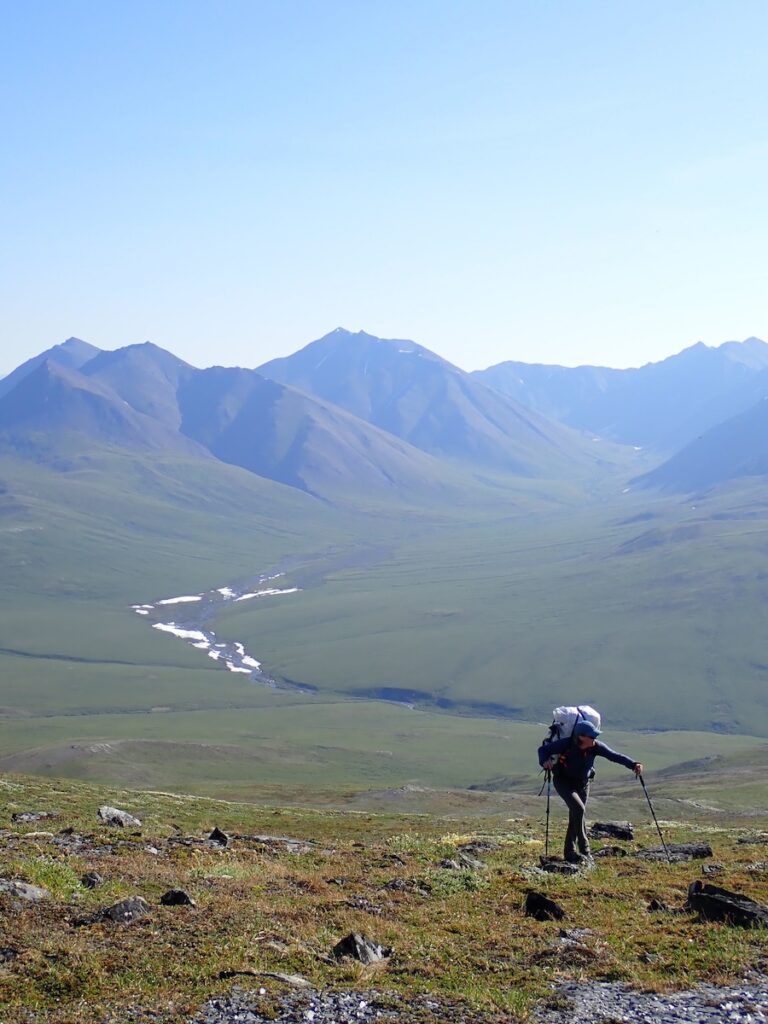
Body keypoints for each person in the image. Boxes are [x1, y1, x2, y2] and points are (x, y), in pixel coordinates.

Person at [538, 720, 643, 864]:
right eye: (592, 736)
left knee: (576, 815)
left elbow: (615, 756)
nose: (595, 739)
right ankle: (585, 849)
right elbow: (543, 750)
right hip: (563, 782)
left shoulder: (596, 747)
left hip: (583, 784)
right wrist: (544, 761)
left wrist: (634, 764)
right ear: (581, 737)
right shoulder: (567, 744)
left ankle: (569, 853)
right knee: (579, 810)